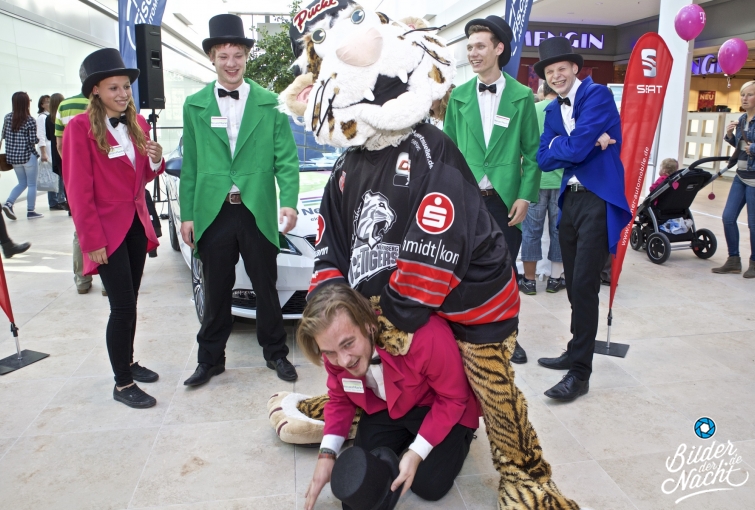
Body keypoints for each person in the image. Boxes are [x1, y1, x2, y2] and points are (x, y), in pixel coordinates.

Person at [276, 4, 578, 508]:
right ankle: (349, 404)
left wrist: (388, 320)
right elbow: (331, 250)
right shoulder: (347, 165)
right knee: (366, 358)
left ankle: (525, 475)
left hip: (473, 302)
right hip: (398, 308)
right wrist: (338, 320)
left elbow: (433, 248)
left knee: (490, 385)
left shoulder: (431, 149)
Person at [180, 14, 300, 387]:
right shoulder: (194, 105)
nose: (231, 63)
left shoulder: (270, 103)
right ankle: (210, 360)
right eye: (223, 56)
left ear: (247, 56)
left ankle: (276, 353)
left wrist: (289, 201)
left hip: (256, 210)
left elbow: (287, 159)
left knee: (266, 285)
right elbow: (190, 165)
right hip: (213, 211)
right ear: (212, 58)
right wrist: (187, 215)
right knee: (216, 289)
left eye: (237, 55)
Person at [299, 284, 478, 510]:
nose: (343, 361)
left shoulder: (426, 334)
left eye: (348, 344)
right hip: (387, 406)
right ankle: (409, 440)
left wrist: (416, 452)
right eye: (330, 352)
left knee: (428, 484)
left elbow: (453, 398)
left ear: (369, 325)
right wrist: (327, 455)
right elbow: (340, 399)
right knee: (364, 478)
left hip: (439, 405)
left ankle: (462, 437)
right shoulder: (334, 352)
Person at [63, 48, 165, 408]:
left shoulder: (138, 124)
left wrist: (156, 160)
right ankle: (123, 384)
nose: (123, 94)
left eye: (125, 87)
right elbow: (77, 190)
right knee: (121, 307)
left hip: (135, 223)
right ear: (95, 91)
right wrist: (90, 240)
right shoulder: (78, 129)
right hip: (105, 230)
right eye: (113, 88)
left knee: (130, 301)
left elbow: (143, 176)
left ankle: (128, 361)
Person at [535, 37, 632, 402]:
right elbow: (544, 158)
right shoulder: (552, 109)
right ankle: (576, 349)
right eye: (550, 71)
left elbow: (571, 149)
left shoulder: (597, 95)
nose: (556, 76)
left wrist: (572, 144)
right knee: (574, 284)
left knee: (586, 285)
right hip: (570, 200)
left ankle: (580, 374)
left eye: (562, 69)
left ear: (575, 68)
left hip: (597, 198)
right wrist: (587, 142)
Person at [443, 15, 540, 365]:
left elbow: (532, 153)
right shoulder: (457, 97)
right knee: (464, 269)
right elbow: (448, 153)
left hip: (505, 200)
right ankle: (467, 333)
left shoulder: (522, 96)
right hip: (466, 200)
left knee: (506, 271)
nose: (473, 53)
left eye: (480, 46)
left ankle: (509, 337)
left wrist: (524, 196)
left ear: (499, 49)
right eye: (469, 47)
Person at [520, 81, 565, 295]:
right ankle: (555, 279)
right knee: (558, 231)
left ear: (543, 91)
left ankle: (529, 280)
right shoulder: (567, 110)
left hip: (534, 180)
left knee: (531, 231)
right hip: (562, 180)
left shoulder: (533, 109)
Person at [713, 80, 755, 278]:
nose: (744, 99)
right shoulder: (742, 119)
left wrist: (753, 148)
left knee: (753, 224)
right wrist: (730, 135)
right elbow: (740, 148)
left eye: (750, 95)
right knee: (728, 217)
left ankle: (754, 262)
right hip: (740, 175)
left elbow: (750, 148)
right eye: (742, 95)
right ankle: (733, 260)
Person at [55, 92, 96, 294]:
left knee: (81, 227)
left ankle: (82, 279)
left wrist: (73, 166)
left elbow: (60, 144)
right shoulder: (108, 100)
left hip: (76, 174)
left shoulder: (64, 105)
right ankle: (108, 284)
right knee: (109, 225)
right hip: (105, 176)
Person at [2, 92, 43, 220]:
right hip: (27, 156)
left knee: (22, 183)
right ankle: (31, 211)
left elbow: (3, 135)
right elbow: (33, 140)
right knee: (31, 184)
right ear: (26, 103)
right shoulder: (30, 120)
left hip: (13, 158)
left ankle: (9, 203)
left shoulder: (7, 118)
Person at [46, 93, 67, 209]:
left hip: (55, 151)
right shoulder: (63, 116)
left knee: (61, 176)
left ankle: (60, 200)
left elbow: (49, 136)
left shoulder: (48, 118)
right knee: (68, 177)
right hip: (65, 148)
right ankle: (67, 201)